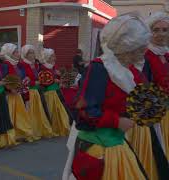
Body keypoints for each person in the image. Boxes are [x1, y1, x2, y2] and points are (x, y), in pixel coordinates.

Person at [63, 13, 151, 180]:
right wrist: (117, 121)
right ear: (127, 47)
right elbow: (82, 111)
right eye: (140, 47)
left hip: (117, 142)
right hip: (98, 146)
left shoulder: (130, 71)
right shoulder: (99, 69)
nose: (144, 52)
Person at [144, 12, 169, 161]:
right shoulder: (145, 56)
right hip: (157, 113)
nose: (161, 34)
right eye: (156, 30)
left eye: (165, 30)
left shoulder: (167, 54)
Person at [1, 43, 34, 142]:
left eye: (17, 51)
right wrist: (10, 88)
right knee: (10, 115)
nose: (17, 54)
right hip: (9, 95)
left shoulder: (18, 64)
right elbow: (4, 79)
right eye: (15, 52)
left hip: (18, 94)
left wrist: (26, 80)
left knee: (19, 115)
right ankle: (11, 135)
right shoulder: (5, 65)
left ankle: (20, 133)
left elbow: (22, 76)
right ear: (9, 53)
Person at [19, 44, 54, 139]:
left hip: (37, 92)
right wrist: (35, 82)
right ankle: (30, 132)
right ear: (25, 54)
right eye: (30, 53)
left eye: (33, 52)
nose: (32, 54)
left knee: (39, 112)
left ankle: (39, 130)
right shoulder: (22, 65)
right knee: (30, 112)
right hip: (29, 92)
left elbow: (40, 76)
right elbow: (23, 79)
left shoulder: (36, 64)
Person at [40, 48, 70, 136]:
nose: (54, 57)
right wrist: (54, 80)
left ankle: (61, 126)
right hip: (49, 92)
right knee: (52, 110)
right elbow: (44, 81)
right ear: (48, 57)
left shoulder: (53, 66)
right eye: (52, 56)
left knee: (60, 109)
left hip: (56, 91)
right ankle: (53, 127)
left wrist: (59, 77)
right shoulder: (43, 67)